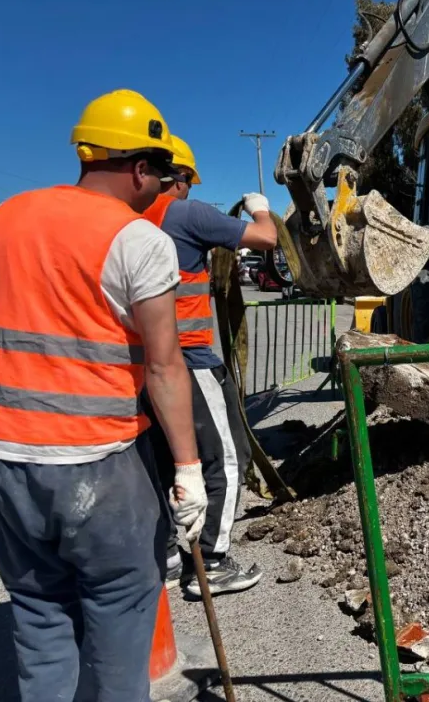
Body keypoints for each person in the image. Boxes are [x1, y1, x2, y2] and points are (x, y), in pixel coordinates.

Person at [0, 90, 207, 702]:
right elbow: (164, 366)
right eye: (161, 173)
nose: (163, 185)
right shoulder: (138, 239)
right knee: (118, 615)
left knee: (38, 614)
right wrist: (189, 471)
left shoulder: (0, 219)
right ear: (138, 168)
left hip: (5, 460)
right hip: (98, 465)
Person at [143, 134, 278, 596]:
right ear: (177, 178)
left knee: (164, 460)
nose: (189, 188)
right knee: (225, 459)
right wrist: (261, 207)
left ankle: (164, 550)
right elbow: (266, 238)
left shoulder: (135, 219)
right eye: (187, 181)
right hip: (191, 361)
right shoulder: (187, 213)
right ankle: (213, 565)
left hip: (146, 363)